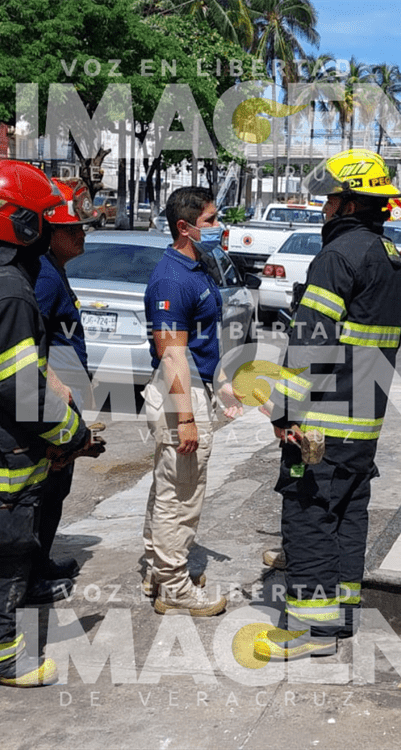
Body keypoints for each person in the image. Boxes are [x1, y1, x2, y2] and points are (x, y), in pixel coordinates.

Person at [0, 160, 97, 687]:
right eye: (43, 221)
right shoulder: (8, 288)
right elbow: (20, 389)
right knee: (3, 553)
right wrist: (71, 434)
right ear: (22, 225)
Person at [254, 149, 401, 661]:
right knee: (348, 511)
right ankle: (340, 618)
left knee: (309, 514)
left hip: (322, 420)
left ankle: (308, 632)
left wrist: (283, 411)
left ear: (349, 204)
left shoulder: (338, 258)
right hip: (364, 417)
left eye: (329, 199)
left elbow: (309, 344)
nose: (323, 208)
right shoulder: (393, 262)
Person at [142, 186, 243, 616]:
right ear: (184, 227)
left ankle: (158, 570)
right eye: (211, 220)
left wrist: (221, 386)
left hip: (193, 387)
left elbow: (202, 344)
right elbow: (173, 353)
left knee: (171, 488)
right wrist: (186, 418)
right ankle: (173, 587)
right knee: (180, 495)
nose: (220, 227)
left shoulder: (197, 266)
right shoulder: (171, 279)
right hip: (176, 394)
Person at [30, 177, 98, 599]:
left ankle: (41, 563)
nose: (82, 234)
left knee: (57, 489)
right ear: (50, 234)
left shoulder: (53, 272)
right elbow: (27, 339)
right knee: (46, 490)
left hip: (64, 402)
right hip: (51, 405)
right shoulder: (43, 277)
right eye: (74, 229)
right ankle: (32, 576)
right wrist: (53, 384)